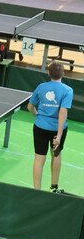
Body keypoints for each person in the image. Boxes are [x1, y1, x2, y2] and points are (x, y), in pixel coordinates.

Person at [29, 62, 72, 192]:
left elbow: (30, 106)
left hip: (40, 126)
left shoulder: (41, 87)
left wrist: (37, 116)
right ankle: (54, 188)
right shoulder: (67, 90)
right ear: (63, 73)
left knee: (39, 158)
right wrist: (58, 136)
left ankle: (37, 191)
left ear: (48, 73)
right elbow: (63, 113)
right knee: (56, 155)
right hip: (57, 129)